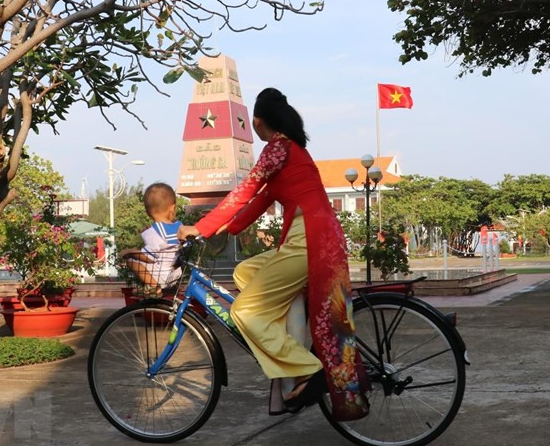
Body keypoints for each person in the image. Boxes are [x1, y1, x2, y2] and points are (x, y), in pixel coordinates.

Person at [178, 88, 369, 421]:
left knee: (245, 312)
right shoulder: (294, 150)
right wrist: (227, 227)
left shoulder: (277, 148)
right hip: (318, 236)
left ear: (256, 121)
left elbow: (246, 190)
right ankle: (290, 373)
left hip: (306, 239)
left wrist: (201, 227)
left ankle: (309, 369)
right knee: (245, 273)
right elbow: (262, 199)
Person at [120, 183, 182, 295]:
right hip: (175, 274)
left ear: (148, 212)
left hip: (161, 276)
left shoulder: (153, 232)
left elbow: (149, 258)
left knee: (132, 262)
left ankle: (154, 287)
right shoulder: (180, 227)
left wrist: (130, 252)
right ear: (172, 207)